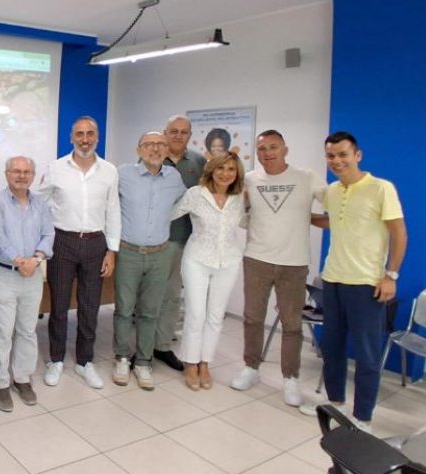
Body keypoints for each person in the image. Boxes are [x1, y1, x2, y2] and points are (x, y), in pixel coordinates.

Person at [301, 132, 407, 432]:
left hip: (366, 284)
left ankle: (363, 417)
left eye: (343, 154)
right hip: (333, 280)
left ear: (357, 155)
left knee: (367, 354)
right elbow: (334, 221)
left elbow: (399, 232)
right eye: (331, 156)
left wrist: (391, 275)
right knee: (331, 347)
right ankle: (335, 402)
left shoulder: (381, 188)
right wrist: (299, 216)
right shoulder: (333, 191)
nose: (337, 161)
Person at [229, 130, 326, 406]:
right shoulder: (250, 179)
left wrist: (315, 218)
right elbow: (238, 214)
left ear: (285, 150)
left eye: (273, 147)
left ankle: (290, 378)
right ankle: (251, 368)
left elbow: (336, 201)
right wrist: (251, 221)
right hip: (256, 259)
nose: (267, 153)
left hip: (294, 263)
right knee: (253, 318)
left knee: (292, 324)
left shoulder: (306, 177)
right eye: (262, 149)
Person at [34, 116, 120, 389]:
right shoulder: (56, 168)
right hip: (63, 242)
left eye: (90, 134)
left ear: (97, 137)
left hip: (96, 243)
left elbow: (113, 210)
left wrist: (112, 250)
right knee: (59, 306)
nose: (85, 139)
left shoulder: (109, 171)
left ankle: (85, 362)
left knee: (90, 306)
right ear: (71, 138)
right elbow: (38, 202)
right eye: (79, 134)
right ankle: (56, 360)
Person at [113, 132, 186, 390]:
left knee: (150, 312)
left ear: (166, 149)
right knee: (124, 309)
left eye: (160, 145)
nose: (155, 149)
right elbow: (106, 202)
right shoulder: (123, 174)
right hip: (128, 252)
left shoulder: (174, 177)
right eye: (149, 145)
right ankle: (122, 358)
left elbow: (187, 202)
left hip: (160, 254)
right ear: (139, 149)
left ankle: (143, 362)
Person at [169, 151, 247, 390]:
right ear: (211, 170)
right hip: (197, 260)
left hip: (228, 261)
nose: (225, 174)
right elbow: (170, 214)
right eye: (221, 168)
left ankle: (205, 363)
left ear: (237, 174)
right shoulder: (196, 194)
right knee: (196, 314)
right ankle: (190, 363)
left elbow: (248, 222)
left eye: (231, 169)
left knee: (215, 316)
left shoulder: (239, 198)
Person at [0, 156, 54, 411]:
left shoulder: (41, 205)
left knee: (27, 330)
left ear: (33, 176)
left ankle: (22, 379)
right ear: (7, 174)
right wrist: (20, 260)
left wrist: (35, 260)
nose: (21, 176)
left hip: (32, 274)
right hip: (3, 274)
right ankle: (1, 383)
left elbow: (49, 234)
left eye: (26, 172)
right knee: (2, 332)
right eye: (16, 171)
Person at [156, 114, 207, 372]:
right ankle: (139, 348)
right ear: (165, 133)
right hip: (152, 240)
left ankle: (162, 345)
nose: (178, 135)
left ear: (190, 135)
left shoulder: (199, 162)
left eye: (183, 132)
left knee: (172, 297)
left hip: (182, 240)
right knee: (147, 297)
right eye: (173, 131)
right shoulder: (152, 157)